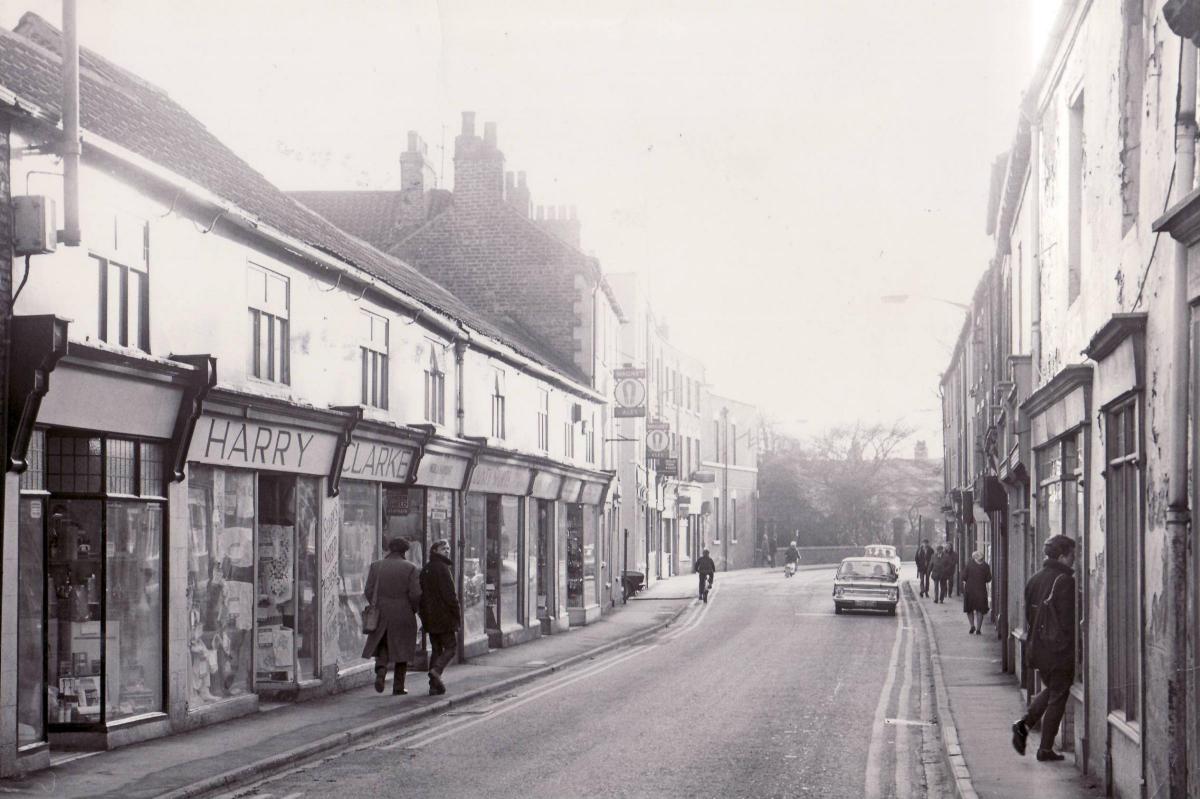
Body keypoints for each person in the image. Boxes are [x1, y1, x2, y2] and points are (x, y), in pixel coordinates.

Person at [1012, 535, 1077, 762]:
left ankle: (1024, 725)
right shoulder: (1065, 581)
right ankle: (1045, 748)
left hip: (1038, 648)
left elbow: (1030, 615)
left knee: (1053, 690)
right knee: (1058, 695)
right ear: (1061, 556)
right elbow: (1068, 621)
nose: (1074, 561)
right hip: (1058, 650)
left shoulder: (1035, 579)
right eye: (1071, 556)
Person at [362, 537, 422, 695]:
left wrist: (377, 604)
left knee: (382, 644)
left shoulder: (376, 566)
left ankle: (381, 673)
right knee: (403, 648)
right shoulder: (411, 568)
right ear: (404, 551)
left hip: (381, 612)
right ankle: (398, 686)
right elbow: (415, 594)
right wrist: (413, 609)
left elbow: (368, 590)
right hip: (403, 613)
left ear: (389, 549)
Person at [419, 539, 460, 696]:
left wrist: (423, 616)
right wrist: (457, 614)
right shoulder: (443, 568)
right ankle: (436, 671)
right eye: (443, 548)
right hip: (444, 617)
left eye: (448, 548)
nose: (447, 551)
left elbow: (421, 595)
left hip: (430, 617)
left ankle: (433, 686)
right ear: (435, 550)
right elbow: (450, 595)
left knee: (436, 649)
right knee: (451, 647)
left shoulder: (426, 569)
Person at [962, 551, 992, 634]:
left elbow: (964, 577)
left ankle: (972, 626)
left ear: (974, 557)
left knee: (969, 609)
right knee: (980, 610)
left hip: (970, 590)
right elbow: (989, 578)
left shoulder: (969, 565)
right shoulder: (986, 566)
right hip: (981, 591)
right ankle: (978, 629)